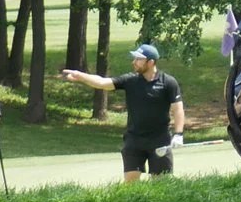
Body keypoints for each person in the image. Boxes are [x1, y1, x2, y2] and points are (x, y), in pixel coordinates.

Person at [64, 42, 183, 182]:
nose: (134, 62)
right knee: (131, 183)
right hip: (134, 140)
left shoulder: (168, 82)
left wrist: (178, 134)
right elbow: (103, 83)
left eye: (139, 59)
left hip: (160, 140)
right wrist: (80, 76)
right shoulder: (130, 80)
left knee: (162, 185)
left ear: (151, 62)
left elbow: (177, 109)